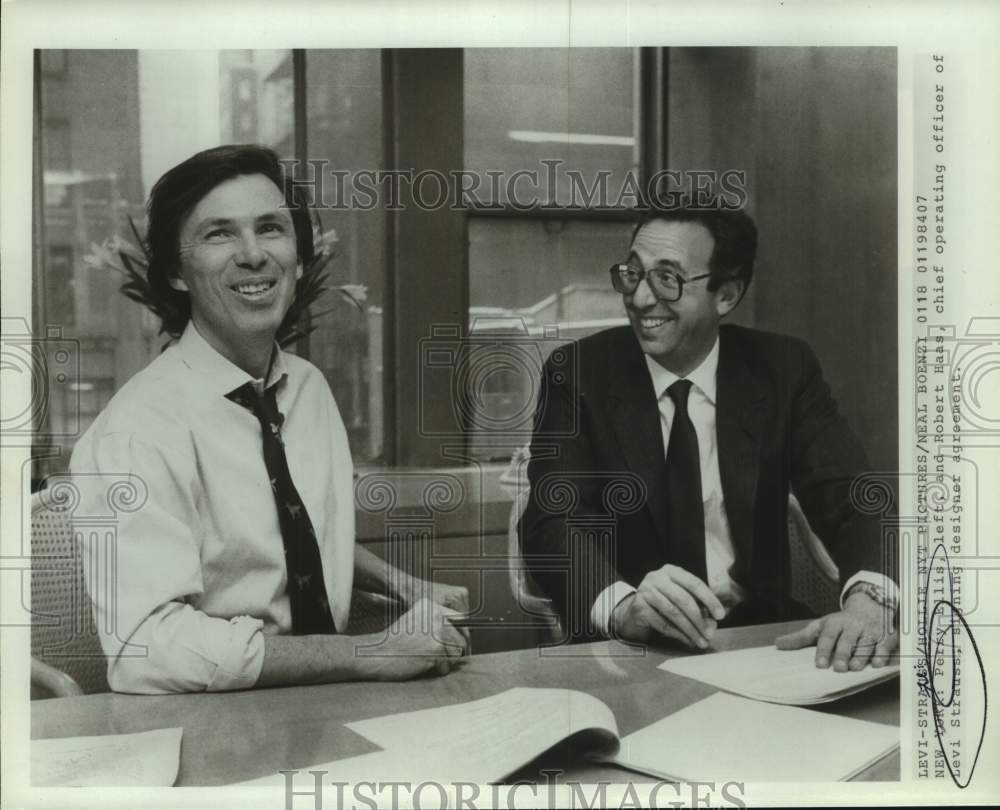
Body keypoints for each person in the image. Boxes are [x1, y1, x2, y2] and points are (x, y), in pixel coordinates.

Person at [70, 145, 469, 694]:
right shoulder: (137, 431)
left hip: (336, 702)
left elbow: (286, 535)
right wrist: (370, 651)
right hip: (213, 724)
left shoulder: (307, 390)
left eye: (271, 228)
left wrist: (406, 586)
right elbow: (145, 647)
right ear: (175, 272)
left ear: (300, 259)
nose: (253, 254)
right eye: (219, 234)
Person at [520, 204, 898, 672]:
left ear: (727, 295)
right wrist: (624, 608)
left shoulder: (782, 370)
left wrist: (869, 600)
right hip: (634, 648)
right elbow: (550, 523)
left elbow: (855, 497)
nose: (639, 299)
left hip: (762, 640)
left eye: (667, 279)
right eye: (632, 273)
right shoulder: (578, 373)